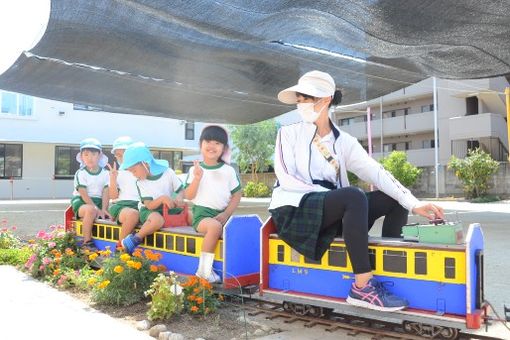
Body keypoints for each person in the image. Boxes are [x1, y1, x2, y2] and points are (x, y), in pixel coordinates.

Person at [269, 70, 444, 312]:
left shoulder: (344, 142)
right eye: (300, 100)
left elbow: (377, 172)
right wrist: (332, 199)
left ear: (326, 99)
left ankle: (388, 269)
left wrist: (413, 203)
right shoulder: (287, 134)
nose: (302, 105)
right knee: (353, 196)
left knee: (392, 200)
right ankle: (362, 287)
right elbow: (286, 177)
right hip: (295, 210)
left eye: (307, 98)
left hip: (331, 211)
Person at [185, 125, 242, 283]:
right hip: (201, 215)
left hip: (222, 215)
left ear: (224, 148)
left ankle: (234, 273)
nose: (212, 146)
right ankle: (204, 271)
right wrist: (197, 178)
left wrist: (226, 214)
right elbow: (189, 196)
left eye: (217, 143)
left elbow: (237, 194)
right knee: (214, 227)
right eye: (208, 141)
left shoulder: (228, 170)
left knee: (238, 232)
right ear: (200, 145)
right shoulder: (194, 170)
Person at [119, 143, 187, 254]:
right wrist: (163, 198)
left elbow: (180, 189)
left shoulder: (168, 172)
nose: (133, 175)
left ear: (145, 164)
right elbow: (149, 204)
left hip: (167, 208)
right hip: (149, 210)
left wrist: (179, 198)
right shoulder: (141, 182)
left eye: (134, 171)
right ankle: (135, 239)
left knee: (190, 216)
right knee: (157, 220)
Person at [71, 138, 110, 251]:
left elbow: (105, 192)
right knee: (91, 210)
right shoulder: (81, 173)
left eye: (93, 154)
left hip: (98, 202)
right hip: (82, 202)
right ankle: (87, 241)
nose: (90, 158)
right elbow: (83, 194)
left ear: (100, 155)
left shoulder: (105, 173)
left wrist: (104, 209)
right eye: (86, 155)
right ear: (82, 156)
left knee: (111, 214)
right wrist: (96, 208)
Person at [106, 136, 140, 248]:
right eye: (118, 155)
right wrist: (113, 179)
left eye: (124, 154)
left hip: (141, 205)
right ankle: (120, 247)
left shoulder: (142, 170)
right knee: (133, 214)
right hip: (121, 206)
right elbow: (113, 196)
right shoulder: (116, 173)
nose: (122, 158)